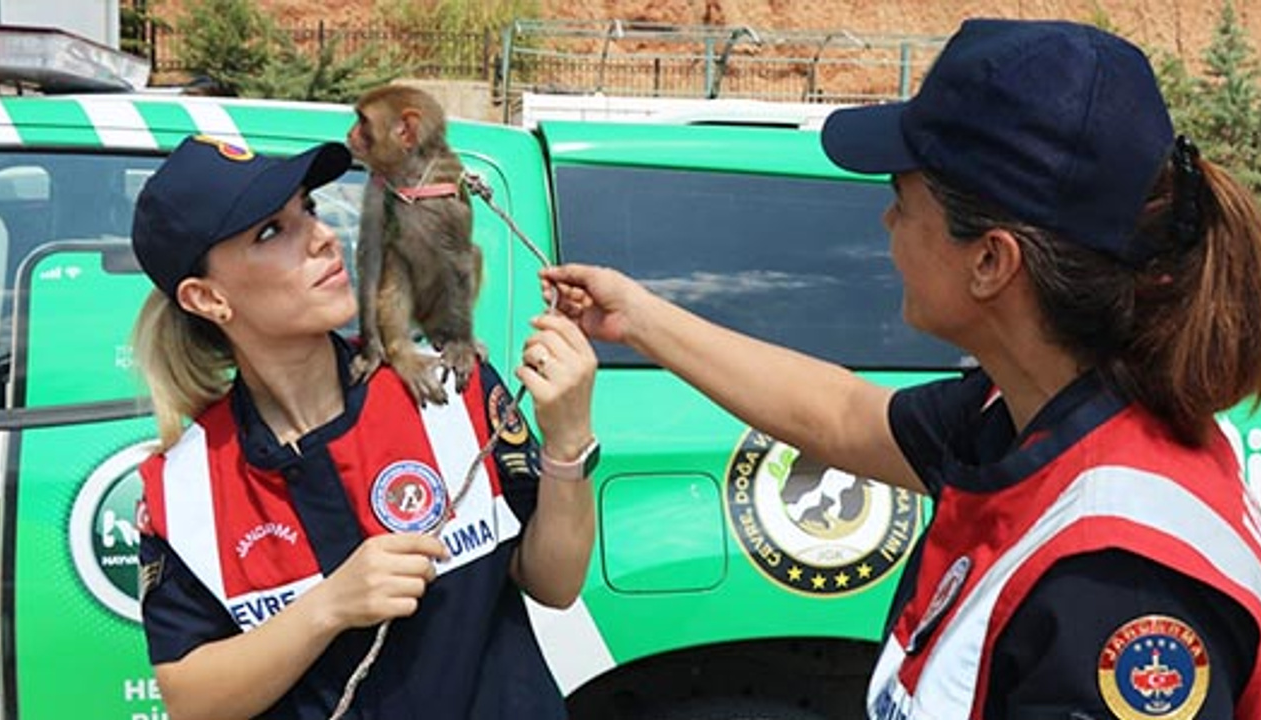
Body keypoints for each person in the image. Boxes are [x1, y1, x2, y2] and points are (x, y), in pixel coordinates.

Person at [542, 18, 1261, 720]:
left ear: (991, 261)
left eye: (899, 199)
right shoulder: (1032, 410)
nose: (885, 224)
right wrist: (637, 317)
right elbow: (842, 416)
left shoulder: (1112, 585)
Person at [129, 135, 598, 720]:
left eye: (309, 210)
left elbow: (554, 582)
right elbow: (192, 699)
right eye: (271, 232)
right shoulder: (182, 484)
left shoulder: (452, 388)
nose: (325, 238)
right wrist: (329, 606)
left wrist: (569, 440)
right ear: (207, 298)